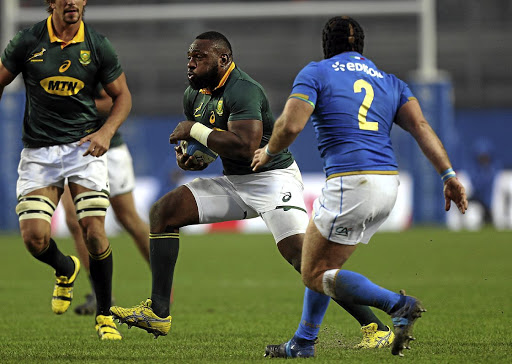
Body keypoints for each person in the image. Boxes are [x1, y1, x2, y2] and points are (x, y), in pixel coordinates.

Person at [110, 31, 395, 348]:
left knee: (305, 262)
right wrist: (194, 160)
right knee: (164, 212)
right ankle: (159, 313)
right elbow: (212, 144)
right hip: (236, 182)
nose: (190, 64)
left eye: (198, 57)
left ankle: (377, 327)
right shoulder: (195, 96)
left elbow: (245, 146)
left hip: (273, 179)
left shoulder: (244, 90)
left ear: (223, 59)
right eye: (189, 57)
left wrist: (193, 129)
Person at [251, 16, 468, 358]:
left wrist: (269, 151)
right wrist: (448, 175)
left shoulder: (316, 72)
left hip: (351, 181)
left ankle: (398, 304)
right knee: (322, 264)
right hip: (387, 184)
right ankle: (303, 343)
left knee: (314, 273)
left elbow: (291, 124)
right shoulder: (389, 81)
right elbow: (421, 126)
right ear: (361, 46)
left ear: (326, 46)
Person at [0, 0, 132, 340]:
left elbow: (123, 97)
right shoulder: (27, 42)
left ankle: (105, 316)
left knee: (93, 230)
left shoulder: (97, 45)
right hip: (39, 151)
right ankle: (66, 268)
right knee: (33, 238)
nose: (72, 1)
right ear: (51, 3)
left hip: (83, 148)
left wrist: (105, 132)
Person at [59, 87, 174, 315]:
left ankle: (163, 289)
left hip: (107, 148)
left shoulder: (92, 56)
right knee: (75, 220)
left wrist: (73, 103)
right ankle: (100, 294)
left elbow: (114, 102)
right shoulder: (44, 61)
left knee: (128, 218)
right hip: (68, 149)